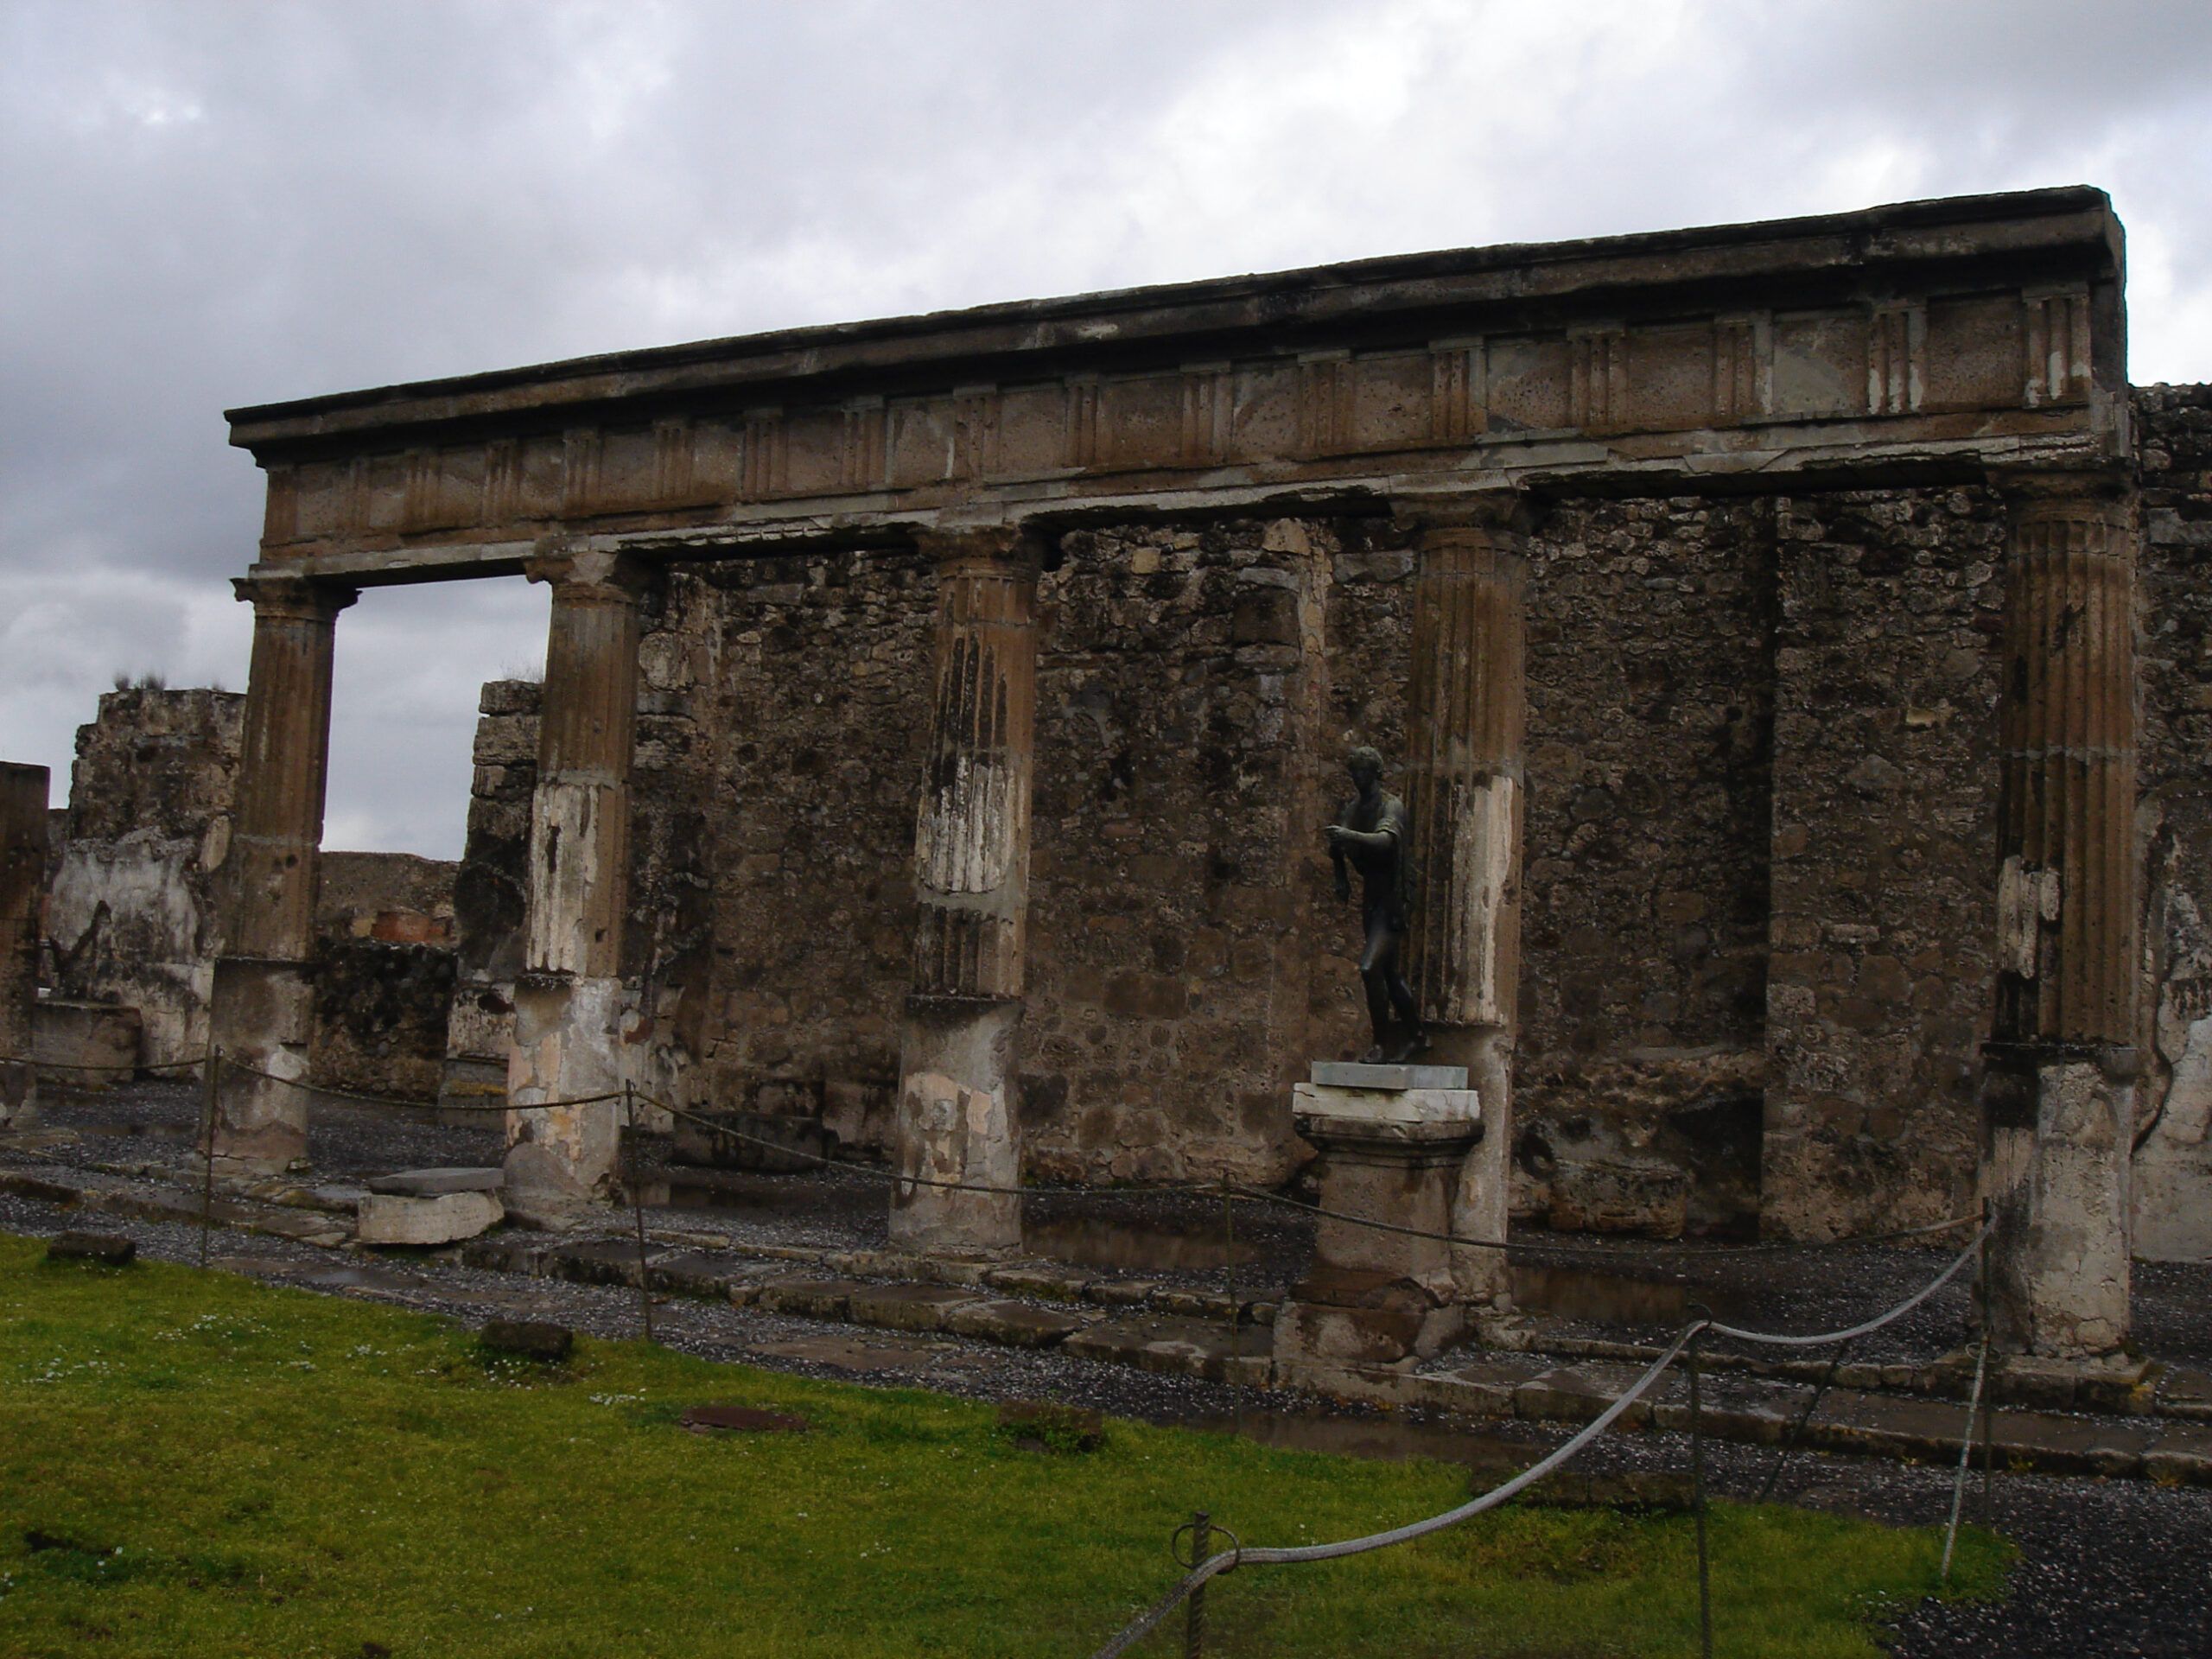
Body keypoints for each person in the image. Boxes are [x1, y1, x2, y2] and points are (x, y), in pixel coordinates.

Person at [1325, 745, 1425, 1063]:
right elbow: (1336, 847)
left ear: (1376, 773)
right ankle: (1418, 1036)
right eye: (1354, 771)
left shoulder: (1390, 806)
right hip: (1372, 898)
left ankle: (1380, 1045)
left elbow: (1386, 841)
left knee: (1369, 968)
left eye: (1363, 771)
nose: (1357, 777)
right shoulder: (1355, 807)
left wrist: (1349, 835)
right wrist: (1340, 876)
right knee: (1390, 975)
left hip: (1394, 900)